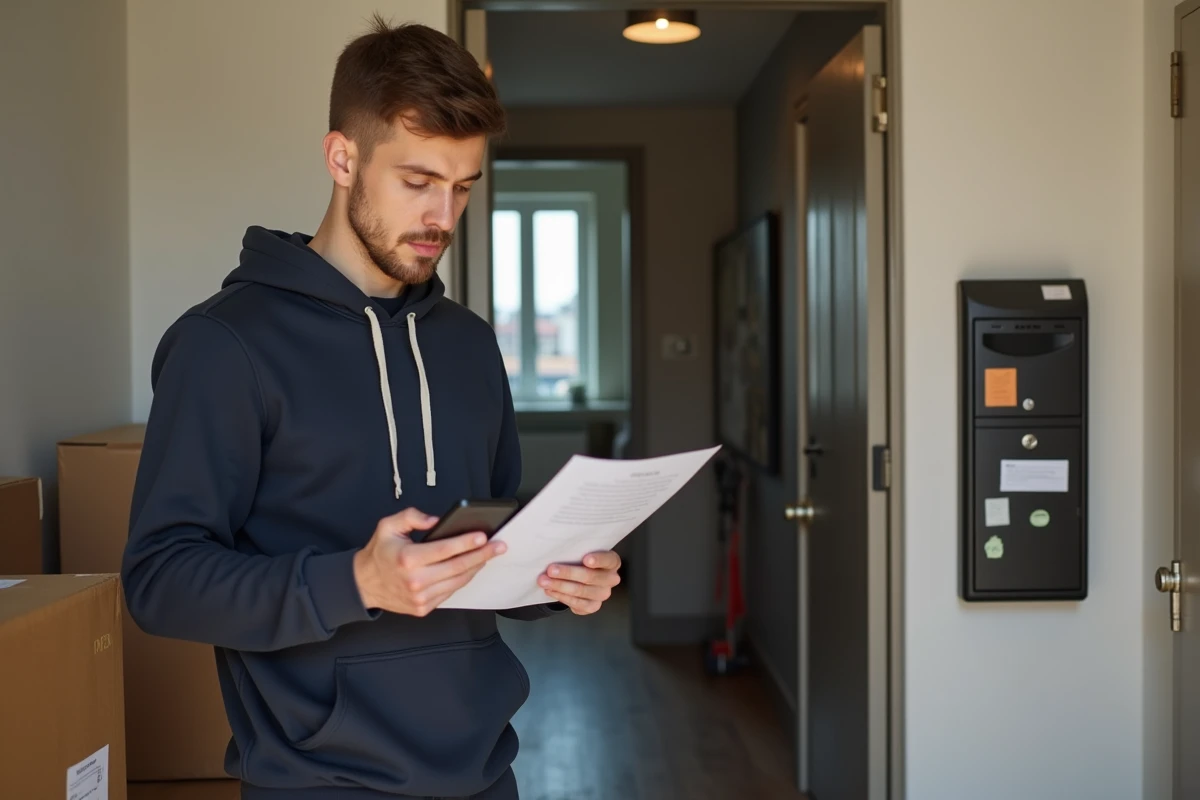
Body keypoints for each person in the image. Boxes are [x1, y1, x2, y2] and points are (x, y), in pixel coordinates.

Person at [120, 17, 621, 800]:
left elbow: (493, 543)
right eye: (418, 182)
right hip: (317, 781)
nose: (443, 218)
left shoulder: (469, 345)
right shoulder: (224, 345)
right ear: (342, 157)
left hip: (487, 774)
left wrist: (557, 581)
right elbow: (159, 580)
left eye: (461, 188)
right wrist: (357, 582)